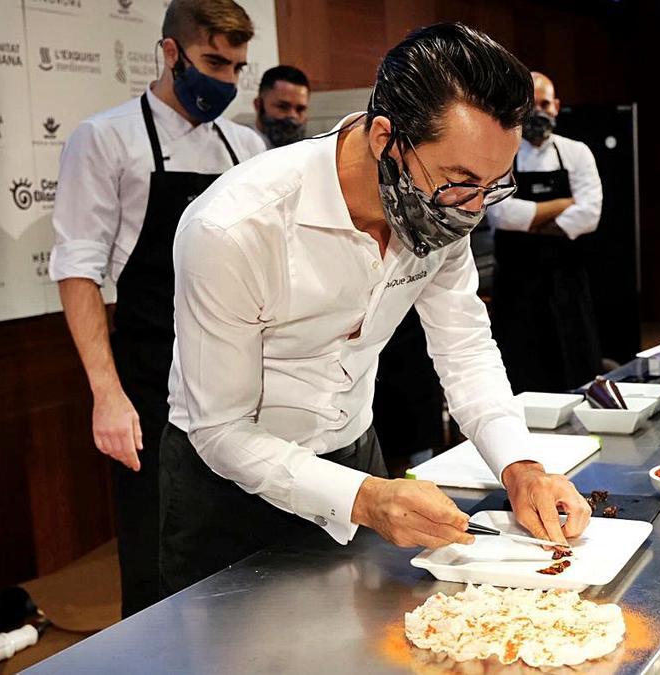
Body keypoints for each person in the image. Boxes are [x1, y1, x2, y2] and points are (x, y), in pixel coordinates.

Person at [158, 22, 591, 595]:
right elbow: (222, 431)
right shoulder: (235, 228)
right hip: (227, 486)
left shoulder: (443, 206)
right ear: (385, 138)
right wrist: (364, 498)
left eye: (491, 186)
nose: (473, 208)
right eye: (461, 181)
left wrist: (520, 467)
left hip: (355, 451)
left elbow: (464, 349)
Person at [48, 0, 265, 617]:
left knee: (240, 547)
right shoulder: (106, 138)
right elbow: (77, 269)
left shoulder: (243, 145)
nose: (224, 81)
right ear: (171, 52)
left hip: (235, 373)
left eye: (236, 68)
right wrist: (106, 394)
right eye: (212, 62)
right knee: (156, 552)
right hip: (148, 373)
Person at [486, 72, 603, 394]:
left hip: (567, 284)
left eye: (545, 103)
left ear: (556, 107)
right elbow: (500, 214)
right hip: (516, 287)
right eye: (531, 104)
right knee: (522, 375)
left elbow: (590, 215)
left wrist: (530, 219)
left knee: (576, 373)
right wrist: (565, 203)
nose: (538, 110)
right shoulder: (500, 155)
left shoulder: (577, 152)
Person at [251, 65, 310, 148]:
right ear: (258, 105)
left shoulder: (310, 152)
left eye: (300, 109)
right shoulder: (242, 151)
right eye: (283, 107)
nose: (293, 115)